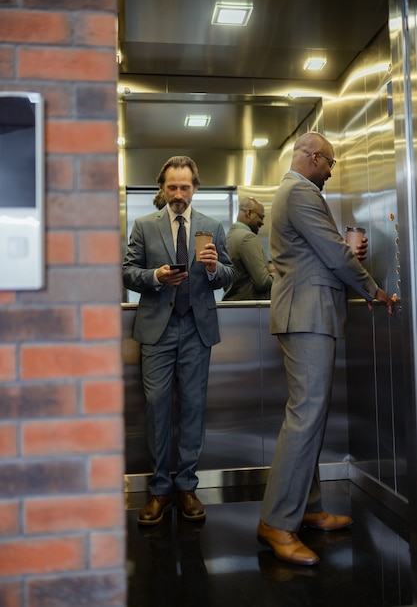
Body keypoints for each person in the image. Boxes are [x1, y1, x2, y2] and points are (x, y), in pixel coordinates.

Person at [258, 132, 395, 566]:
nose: (332, 170)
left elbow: (321, 254)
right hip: (307, 317)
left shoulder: (291, 193)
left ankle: (307, 507)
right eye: (331, 162)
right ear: (314, 157)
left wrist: (344, 253)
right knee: (305, 417)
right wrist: (372, 289)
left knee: (309, 416)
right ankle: (277, 522)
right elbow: (335, 256)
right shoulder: (300, 192)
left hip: (307, 314)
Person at [123, 155, 234, 526]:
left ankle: (186, 486)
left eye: (184, 187)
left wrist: (215, 269)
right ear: (162, 188)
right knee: (156, 407)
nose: (178, 194)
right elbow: (127, 271)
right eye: (171, 186)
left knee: (192, 407)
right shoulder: (143, 225)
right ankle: (158, 490)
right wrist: (154, 276)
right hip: (157, 329)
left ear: (195, 188)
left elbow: (230, 275)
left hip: (197, 328)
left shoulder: (213, 226)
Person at [223, 197, 274, 300]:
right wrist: (278, 274)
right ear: (249, 213)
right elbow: (262, 283)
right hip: (250, 308)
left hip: (234, 304)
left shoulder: (229, 236)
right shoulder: (248, 238)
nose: (262, 222)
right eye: (261, 217)